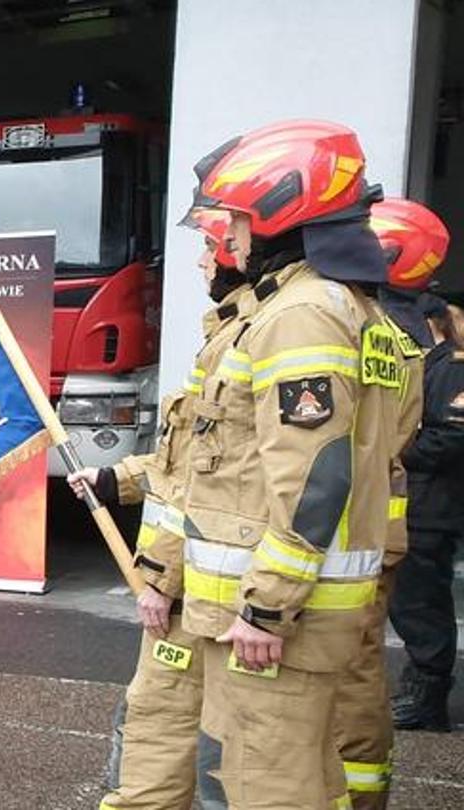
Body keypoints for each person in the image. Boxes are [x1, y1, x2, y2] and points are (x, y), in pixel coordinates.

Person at [179, 120, 402, 808]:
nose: (229, 238)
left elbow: (316, 473)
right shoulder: (329, 305)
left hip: (283, 616)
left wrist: (269, 607)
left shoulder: (301, 314)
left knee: (268, 784)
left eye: (237, 220)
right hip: (289, 610)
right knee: (300, 777)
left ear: (283, 212)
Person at [76, 209, 252, 809]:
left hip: (192, 597)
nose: (202, 261)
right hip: (206, 593)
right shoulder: (233, 335)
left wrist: (161, 581)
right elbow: (182, 461)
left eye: (210, 249)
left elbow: (202, 485)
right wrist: (111, 477)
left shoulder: (247, 344)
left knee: (157, 736)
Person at [326, 197, 443, 805]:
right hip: (377, 522)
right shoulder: (412, 328)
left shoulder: (377, 329)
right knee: (355, 661)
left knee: (349, 667)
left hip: (358, 523)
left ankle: (352, 791)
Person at [390, 279, 464, 731]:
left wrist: (395, 451)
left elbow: (452, 435)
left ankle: (428, 696)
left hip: (434, 502)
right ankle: (423, 689)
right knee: (414, 597)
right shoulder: (433, 361)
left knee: (421, 601)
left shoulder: (453, 366)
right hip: (424, 499)